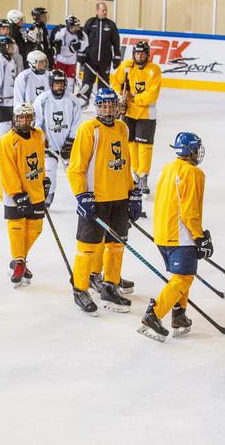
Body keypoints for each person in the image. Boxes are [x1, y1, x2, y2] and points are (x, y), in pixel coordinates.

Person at [67, 88, 140, 314]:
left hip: (118, 199)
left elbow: (125, 164)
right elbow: (75, 168)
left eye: (111, 105)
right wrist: (82, 195)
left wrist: (132, 192)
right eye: (103, 105)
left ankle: (110, 285)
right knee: (87, 249)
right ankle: (80, 289)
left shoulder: (122, 127)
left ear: (117, 107)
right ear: (97, 107)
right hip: (96, 199)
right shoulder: (89, 129)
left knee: (116, 246)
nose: (108, 109)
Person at [138, 132, 210, 342]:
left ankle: (179, 315)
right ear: (190, 151)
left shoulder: (167, 168)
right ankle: (154, 315)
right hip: (180, 235)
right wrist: (199, 236)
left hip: (162, 233)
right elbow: (190, 211)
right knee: (183, 278)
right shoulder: (194, 173)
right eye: (196, 149)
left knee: (182, 276)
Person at [0, 103, 49, 287]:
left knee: (35, 227)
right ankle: (19, 261)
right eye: (21, 117)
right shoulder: (7, 140)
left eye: (28, 117)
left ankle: (18, 260)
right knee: (17, 226)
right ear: (15, 118)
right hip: (14, 192)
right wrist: (17, 194)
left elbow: (41, 160)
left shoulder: (39, 136)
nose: (24, 120)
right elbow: (7, 169)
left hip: (35, 188)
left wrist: (44, 179)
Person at [112, 41, 162, 195]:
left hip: (147, 114)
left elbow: (152, 95)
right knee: (131, 144)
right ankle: (135, 174)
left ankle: (143, 176)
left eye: (142, 53)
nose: (139, 56)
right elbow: (115, 81)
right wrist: (122, 94)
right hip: (128, 113)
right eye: (136, 53)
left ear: (148, 55)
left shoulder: (154, 70)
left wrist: (133, 98)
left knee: (145, 147)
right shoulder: (127, 66)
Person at [33, 69, 81, 207]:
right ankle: (47, 196)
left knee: (74, 172)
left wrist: (71, 141)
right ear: (51, 84)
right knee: (49, 171)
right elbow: (37, 122)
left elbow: (77, 122)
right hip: (50, 145)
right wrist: (42, 138)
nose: (59, 86)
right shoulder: (42, 100)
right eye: (56, 84)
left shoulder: (72, 100)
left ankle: (81, 195)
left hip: (69, 144)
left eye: (61, 83)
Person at [78, 2, 122, 106]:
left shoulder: (111, 25)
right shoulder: (90, 23)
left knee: (104, 82)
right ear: (97, 11)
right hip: (90, 59)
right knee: (87, 80)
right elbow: (83, 40)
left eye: (106, 10)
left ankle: (102, 101)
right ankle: (84, 99)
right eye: (103, 10)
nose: (105, 12)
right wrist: (82, 54)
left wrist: (117, 56)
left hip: (105, 60)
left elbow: (116, 42)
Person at [0, 36, 18, 160]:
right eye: (10, 46)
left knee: (11, 125)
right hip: (1, 98)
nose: (12, 48)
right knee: (4, 125)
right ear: (3, 48)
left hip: (10, 98)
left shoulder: (10, 60)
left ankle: (6, 147)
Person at [51, 15, 88, 93]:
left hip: (71, 62)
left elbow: (85, 45)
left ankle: (68, 99)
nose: (76, 28)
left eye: (77, 26)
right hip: (60, 62)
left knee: (70, 83)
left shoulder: (80, 33)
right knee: (58, 81)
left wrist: (81, 43)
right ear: (69, 25)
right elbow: (59, 50)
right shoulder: (61, 33)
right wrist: (71, 49)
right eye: (75, 26)